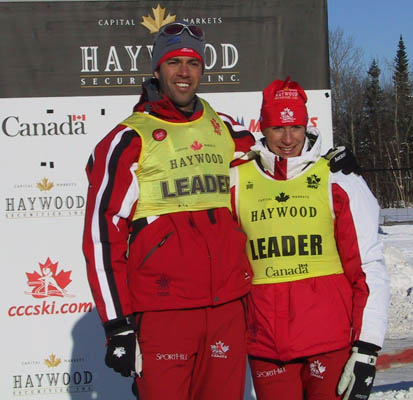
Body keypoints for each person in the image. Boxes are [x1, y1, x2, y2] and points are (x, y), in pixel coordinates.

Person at [82, 21, 255, 400]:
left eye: (193, 63)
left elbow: (278, 164)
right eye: (173, 62)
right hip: (164, 310)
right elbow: (101, 237)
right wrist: (117, 324)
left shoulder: (226, 128)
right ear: (157, 69)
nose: (183, 72)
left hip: (226, 307)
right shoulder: (127, 139)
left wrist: (330, 162)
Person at [230, 77, 390, 400]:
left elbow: (367, 265)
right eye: (277, 128)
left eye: (296, 127)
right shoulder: (236, 179)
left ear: (306, 126)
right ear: (263, 127)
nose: (288, 138)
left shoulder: (337, 178)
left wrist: (367, 346)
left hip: (328, 342)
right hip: (267, 345)